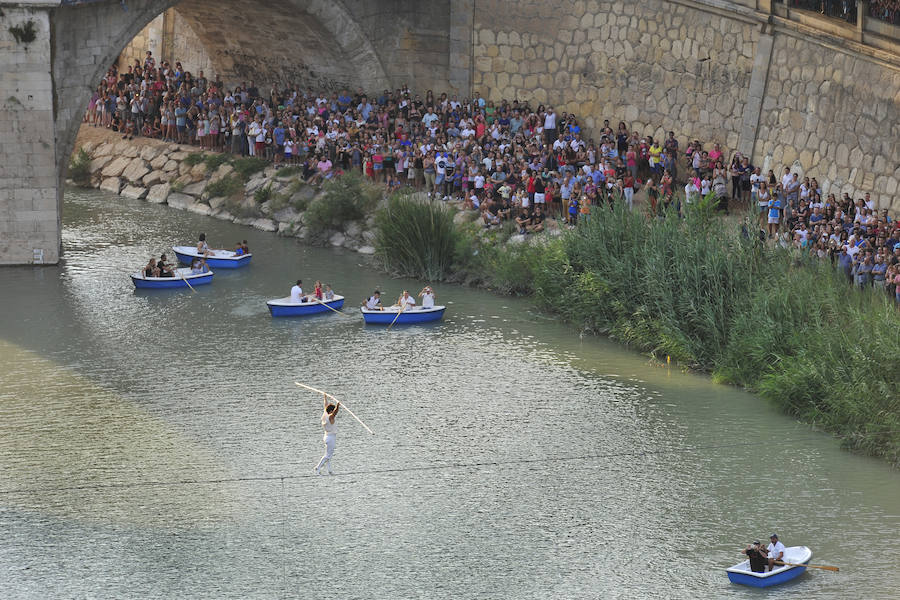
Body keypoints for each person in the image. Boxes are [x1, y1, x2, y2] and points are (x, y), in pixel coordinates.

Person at [313, 397, 340, 475]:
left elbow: (325, 405)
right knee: (328, 455)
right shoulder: (330, 417)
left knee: (329, 455)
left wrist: (325, 397)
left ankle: (329, 470)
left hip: (326, 436)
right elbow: (335, 412)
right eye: (333, 411)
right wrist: (338, 405)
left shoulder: (325, 414)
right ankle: (318, 467)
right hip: (331, 438)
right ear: (331, 411)